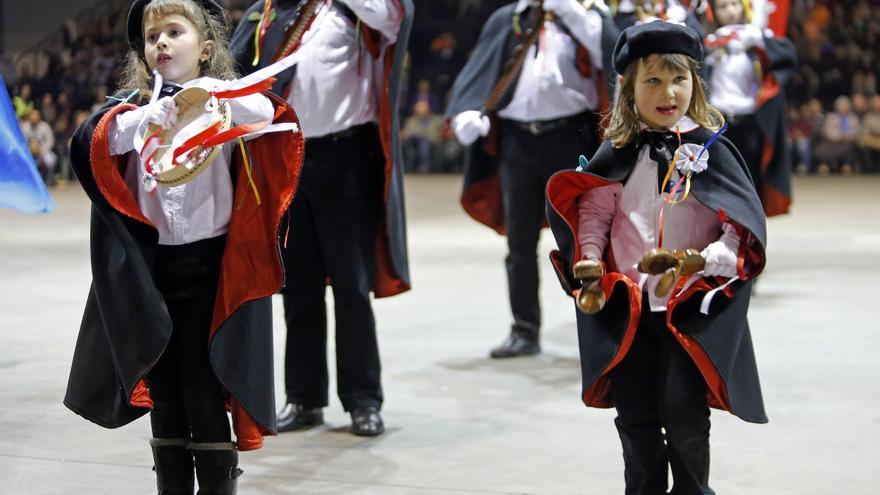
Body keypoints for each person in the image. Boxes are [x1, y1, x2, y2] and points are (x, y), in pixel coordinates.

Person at [63, 1, 303, 492]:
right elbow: (95, 141)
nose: (162, 43)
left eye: (175, 31)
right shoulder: (131, 111)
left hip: (209, 271)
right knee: (165, 391)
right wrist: (151, 117)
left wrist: (211, 91)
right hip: (152, 275)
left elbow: (266, 112)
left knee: (202, 388)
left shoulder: (224, 100)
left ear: (207, 48)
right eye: (152, 38)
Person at [545, 21, 767, 493]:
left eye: (679, 79)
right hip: (629, 310)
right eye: (653, 80)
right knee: (636, 418)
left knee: (684, 414)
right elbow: (595, 213)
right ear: (628, 88)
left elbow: (739, 233)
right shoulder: (616, 152)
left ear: (695, 84)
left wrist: (700, 260)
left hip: (689, 310)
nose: (668, 92)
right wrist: (587, 259)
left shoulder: (712, 151)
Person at [230, 0, 413, 436]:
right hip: (288, 156)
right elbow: (234, 71)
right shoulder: (272, 13)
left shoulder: (355, 9)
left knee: (352, 286)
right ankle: (304, 398)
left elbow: (393, 18)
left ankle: (363, 399)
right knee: (299, 287)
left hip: (347, 155)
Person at [445, 0, 619, 358]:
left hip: (571, 136)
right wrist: (469, 109)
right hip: (517, 141)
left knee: (583, 241)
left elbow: (612, 58)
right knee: (519, 244)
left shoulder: (586, 14)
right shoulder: (510, 18)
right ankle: (524, 330)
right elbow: (481, 68)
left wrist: (571, 10)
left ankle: (597, 327)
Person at [703, 0, 796, 215]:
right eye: (723, 6)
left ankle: (749, 228)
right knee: (719, 178)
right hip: (718, 121)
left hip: (749, 120)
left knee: (750, 180)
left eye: (734, 4)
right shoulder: (709, 42)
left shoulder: (755, 38)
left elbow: (788, 57)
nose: (729, 11)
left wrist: (760, 41)